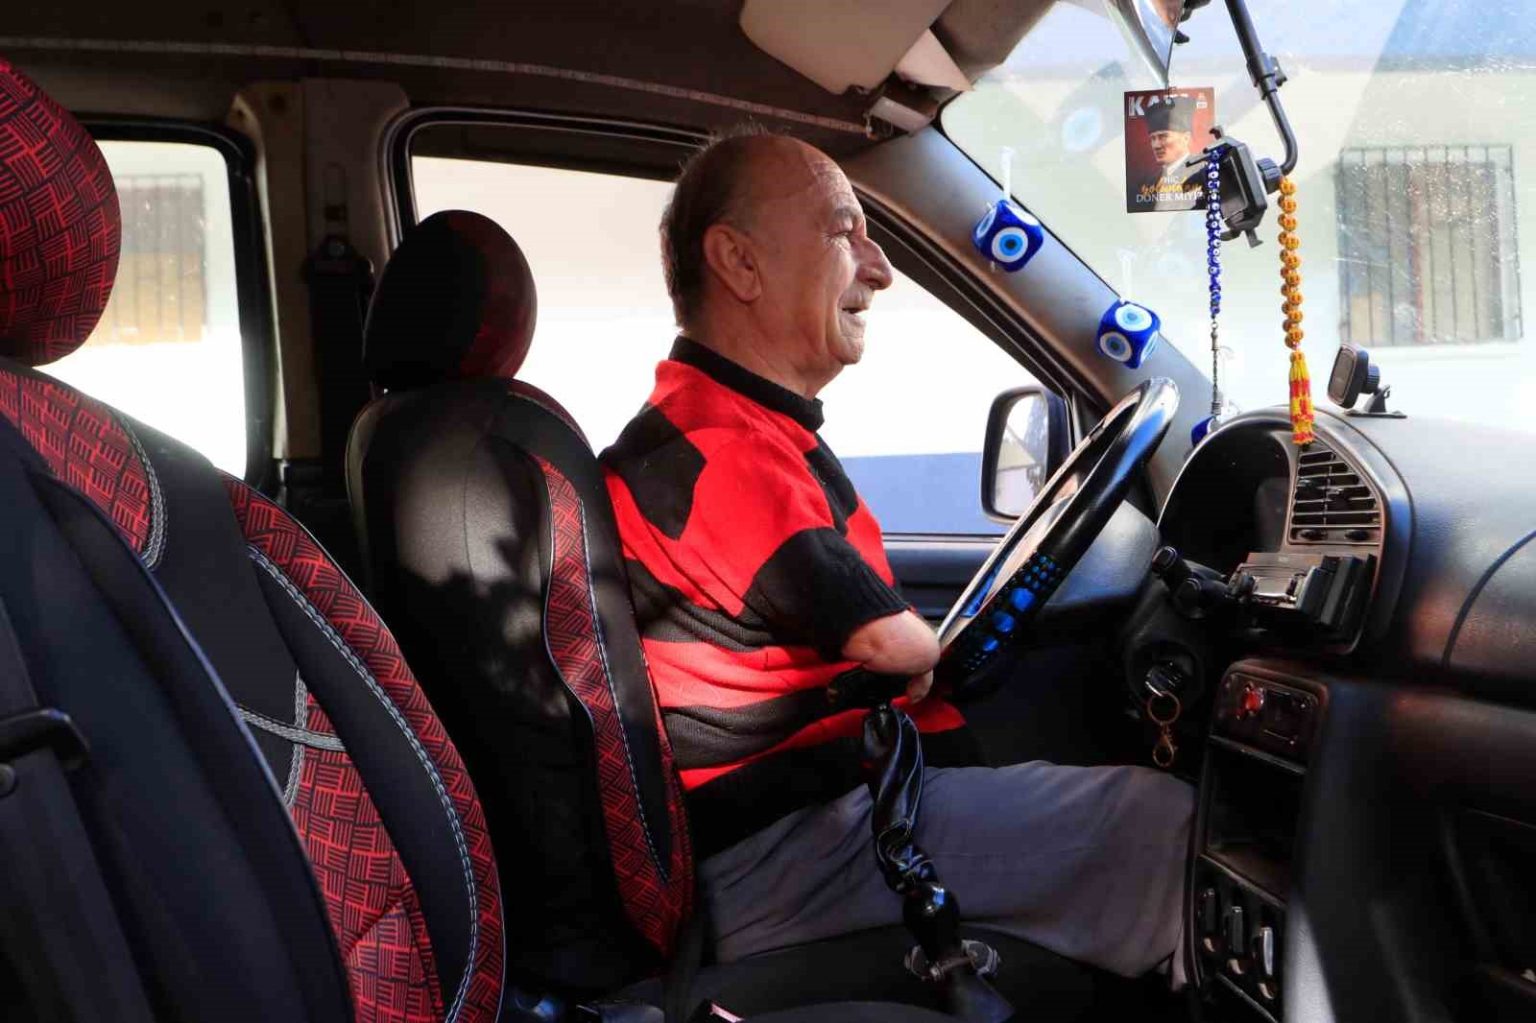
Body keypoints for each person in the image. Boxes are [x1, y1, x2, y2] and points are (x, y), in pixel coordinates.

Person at [600, 128, 1194, 981]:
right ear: (739, 262)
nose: (879, 270)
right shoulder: (720, 449)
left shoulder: (725, 425)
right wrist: (925, 649)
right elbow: (899, 645)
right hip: (794, 849)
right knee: (1161, 822)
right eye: (845, 231)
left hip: (824, 812)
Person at [1134, 95, 1203, 206]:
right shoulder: (1149, 182)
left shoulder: (1202, 170)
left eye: (1163, 137)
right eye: (1153, 138)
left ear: (1186, 138)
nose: (1156, 145)